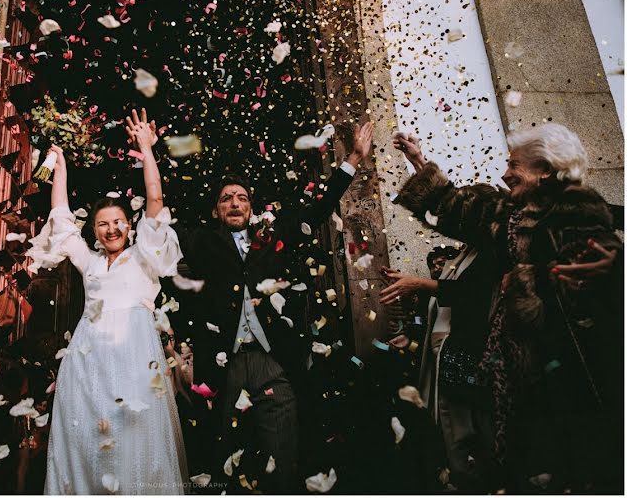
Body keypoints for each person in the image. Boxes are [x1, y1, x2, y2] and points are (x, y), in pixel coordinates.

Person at [392, 123, 623, 493]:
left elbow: (592, 289)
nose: (504, 172)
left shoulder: (580, 215)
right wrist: (417, 159)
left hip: (564, 372)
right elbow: (451, 206)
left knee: (567, 465)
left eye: (515, 165)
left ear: (545, 169)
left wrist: (531, 280)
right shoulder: (509, 214)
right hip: (512, 370)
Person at [171, 113, 374, 493]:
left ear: (251, 208)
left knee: (282, 456)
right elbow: (155, 228)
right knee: (221, 460)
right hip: (223, 363)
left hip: (274, 361)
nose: (235, 204)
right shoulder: (202, 242)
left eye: (242, 198)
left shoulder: (272, 237)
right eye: (227, 199)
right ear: (216, 211)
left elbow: (317, 208)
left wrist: (354, 159)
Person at [29, 109, 187, 494]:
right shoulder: (89, 262)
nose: (112, 228)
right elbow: (61, 215)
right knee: (88, 434)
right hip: (90, 356)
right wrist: (61, 167)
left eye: (118, 222)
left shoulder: (144, 255)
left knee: (137, 434)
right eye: (103, 223)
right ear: (96, 231)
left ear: (129, 226)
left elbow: (155, 197)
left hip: (134, 353)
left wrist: (147, 149)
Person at [380, 244, 498, 492]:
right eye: (434, 263)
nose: (438, 267)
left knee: (468, 431)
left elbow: (470, 296)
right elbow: (424, 326)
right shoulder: (457, 266)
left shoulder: (488, 256)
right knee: (446, 427)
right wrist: (410, 341)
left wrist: (418, 284)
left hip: (462, 359)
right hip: (437, 361)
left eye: (442, 262)